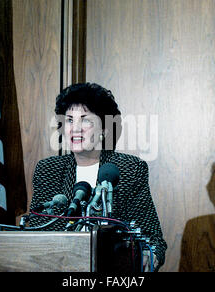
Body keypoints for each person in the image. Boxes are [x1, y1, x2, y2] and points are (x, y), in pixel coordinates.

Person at [28, 83, 167, 271]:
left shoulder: (129, 169)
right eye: (69, 120)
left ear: (103, 129)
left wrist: (149, 256)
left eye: (85, 120)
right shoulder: (49, 169)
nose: (75, 128)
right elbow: (37, 233)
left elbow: (153, 239)